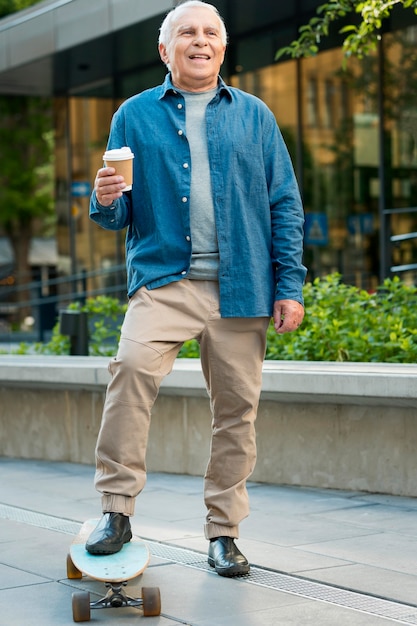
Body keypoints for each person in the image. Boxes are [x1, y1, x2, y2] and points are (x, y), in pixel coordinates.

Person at [85, 0, 306, 578]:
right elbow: (116, 212)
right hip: (164, 282)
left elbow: (284, 203)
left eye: (211, 32)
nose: (200, 41)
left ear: (223, 49)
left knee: (236, 412)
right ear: (166, 50)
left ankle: (223, 534)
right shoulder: (133, 115)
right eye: (187, 32)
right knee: (130, 370)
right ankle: (116, 509)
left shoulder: (254, 116)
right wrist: (105, 198)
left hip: (243, 285)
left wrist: (290, 286)